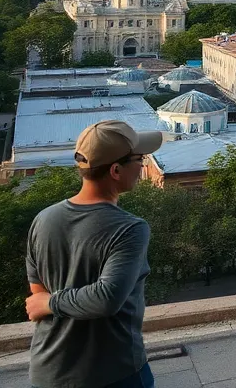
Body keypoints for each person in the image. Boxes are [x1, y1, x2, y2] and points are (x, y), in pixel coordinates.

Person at [24, 120, 164, 388]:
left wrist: (50, 302)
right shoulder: (130, 228)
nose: (143, 165)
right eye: (140, 158)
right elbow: (106, 299)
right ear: (115, 170)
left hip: (49, 371)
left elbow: (38, 292)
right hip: (113, 372)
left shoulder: (44, 219)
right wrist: (52, 303)